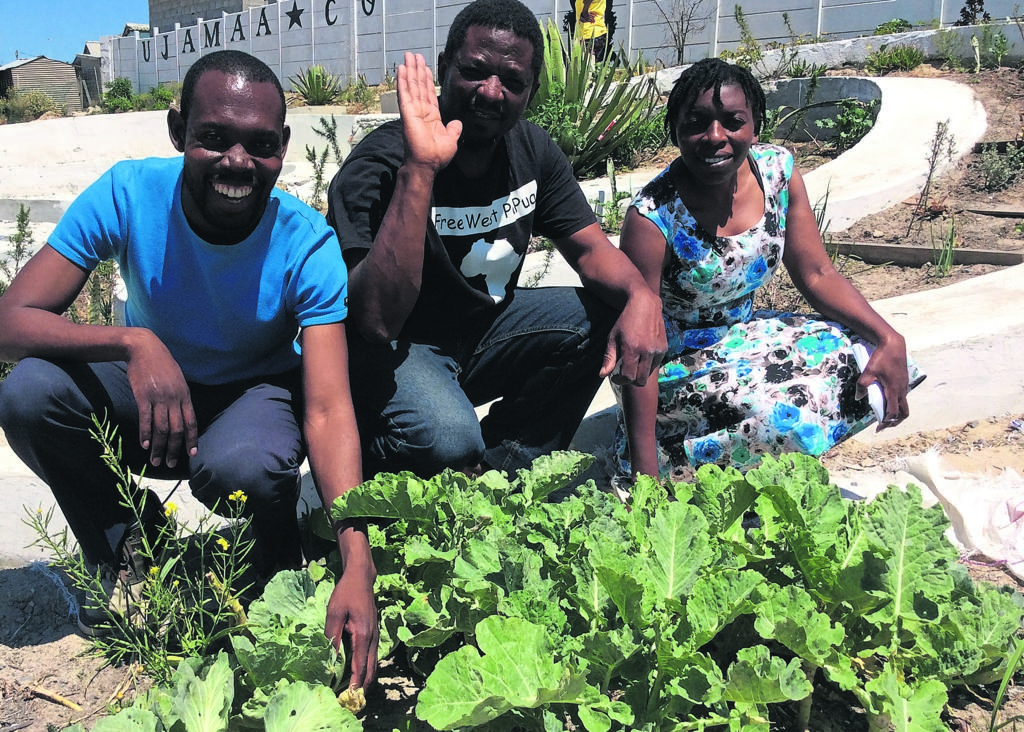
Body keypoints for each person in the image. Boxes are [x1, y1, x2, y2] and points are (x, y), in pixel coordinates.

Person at [0, 50, 377, 688]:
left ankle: (275, 553)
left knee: (245, 467)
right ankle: (131, 546)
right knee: (29, 394)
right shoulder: (129, 193)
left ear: (284, 147)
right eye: (214, 137)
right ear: (178, 132)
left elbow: (327, 407)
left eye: (260, 144)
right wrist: (132, 342)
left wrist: (356, 559)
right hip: (150, 394)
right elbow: (10, 321)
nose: (238, 161)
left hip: (253, 399)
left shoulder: (305, 242)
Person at [326, 0, 665, 479]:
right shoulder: (380, 163)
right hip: (398, 348)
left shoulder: (531, 149)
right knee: (447, 436)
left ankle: (498, 480)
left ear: (531, 91)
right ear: (444, 67)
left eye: (512, 80)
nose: (490, 91)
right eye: (474, 71)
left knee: (603, 318)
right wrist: (420, 170)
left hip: (483, 333)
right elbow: (376, 322)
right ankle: (376, 461)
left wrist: (641, 297)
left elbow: (590, 249)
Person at [614, 58, 924, 481]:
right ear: (675, 131)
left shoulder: (777, 172)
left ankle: (759, 461)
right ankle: (680, 455)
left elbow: (817, 273)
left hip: (745, 336)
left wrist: (889, 337)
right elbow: (638, 348)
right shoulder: (652, 218)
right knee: (783, 412)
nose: (715, 137)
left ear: (755, 126)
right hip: (674, 365)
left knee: (862, 352)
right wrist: (644, 476)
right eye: (697, 123)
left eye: (733, 122)